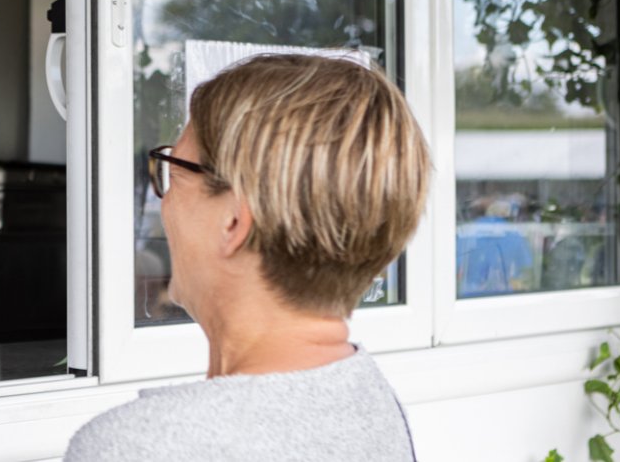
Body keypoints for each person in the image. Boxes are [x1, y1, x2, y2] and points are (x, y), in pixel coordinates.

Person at [67, 54, 430, 461]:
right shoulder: (369, 399)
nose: (164, 201)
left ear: (233, 221)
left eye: (174, 172)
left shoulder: (138, 447)